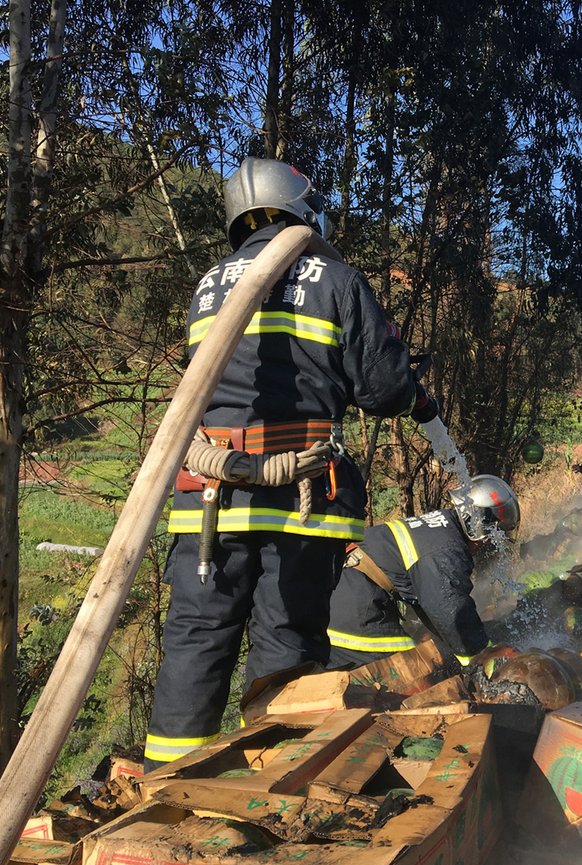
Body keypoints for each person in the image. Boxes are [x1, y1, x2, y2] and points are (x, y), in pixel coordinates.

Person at [143, 158, 434, 771]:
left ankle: (165, 785)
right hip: (299, 497)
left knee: (196, 640)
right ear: (303, 210)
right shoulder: (334, 279)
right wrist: (412, 387)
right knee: (286, 637)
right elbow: (382, 390)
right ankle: (269, 781)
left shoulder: (208, 282)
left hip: (206, 493)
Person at [327, 475, 521, 668]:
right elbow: (449, 608)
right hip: (354, 608)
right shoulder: (447, 549)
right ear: (479, 527)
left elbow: (431, 608)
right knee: (411, 672)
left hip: (342, 594)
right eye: (491, 539)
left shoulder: (440, 530)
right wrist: (484, 657)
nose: (486, 546)